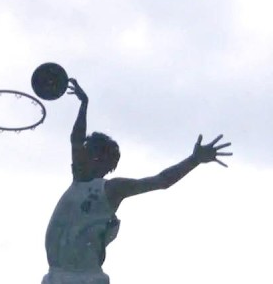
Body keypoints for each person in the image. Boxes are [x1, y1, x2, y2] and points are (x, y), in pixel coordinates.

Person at [42, 79, 232, 284]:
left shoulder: (111, 188)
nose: (78, 154)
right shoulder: (78, 180)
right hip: (56, 277)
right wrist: (84, 104)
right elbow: (76, 139)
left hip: (87, 278)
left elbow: (161, 180)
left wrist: (194, 160)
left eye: (85, 152)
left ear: (98, 158)